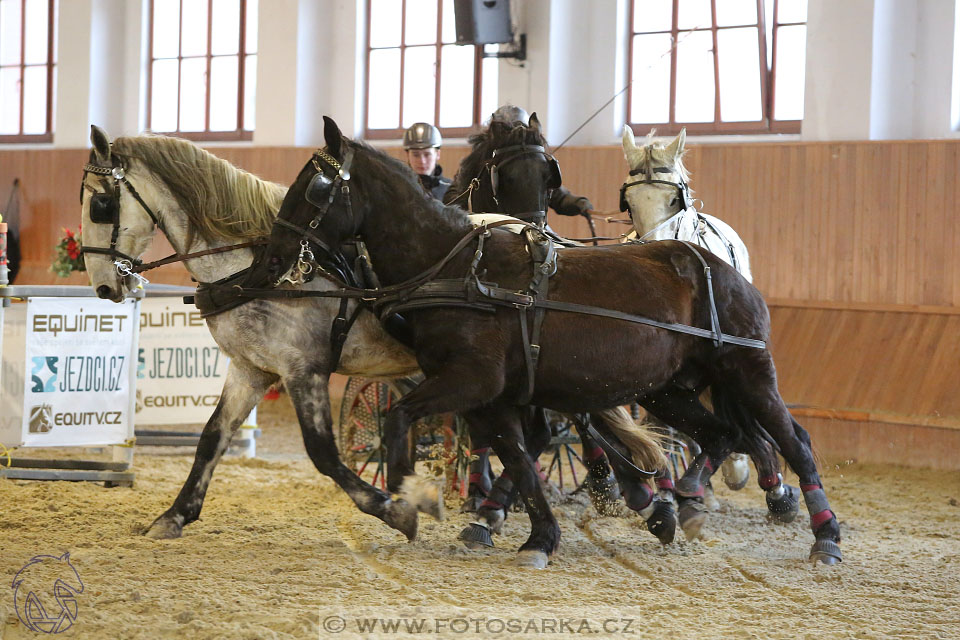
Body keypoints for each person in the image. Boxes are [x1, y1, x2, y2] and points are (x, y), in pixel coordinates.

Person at [489, 105, 594, 218]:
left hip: (535, 228)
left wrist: (579, 203)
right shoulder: (482, 166)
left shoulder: (534, 167)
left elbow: (558, 197)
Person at [403, 122, 452, 201]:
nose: (422, 161)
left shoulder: (451, 189)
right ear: (407, 155)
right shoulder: (398, 189)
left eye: (427, 154)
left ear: (437, 154)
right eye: (416, 155)